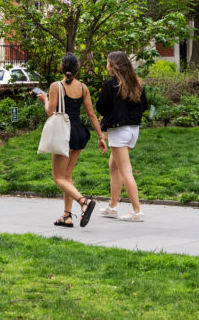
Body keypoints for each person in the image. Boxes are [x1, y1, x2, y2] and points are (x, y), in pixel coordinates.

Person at [36, 53, 107, 228]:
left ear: (62, 67)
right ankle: (66, 216)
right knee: (67, 176)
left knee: (58, 177)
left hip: (64, 133)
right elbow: (91, 114)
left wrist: (45, 99)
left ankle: (84, 202)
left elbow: (50, 112)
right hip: (79, 132)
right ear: (77, 69)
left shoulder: (56, 86)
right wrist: (100, 137)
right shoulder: (83, 87)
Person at [96, 50, 148, 222]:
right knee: (114, 165)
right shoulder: (137, 83)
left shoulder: (111, 84)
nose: (106, 65)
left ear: (113, 65)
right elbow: (144, 105)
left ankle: (137, 211)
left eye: (107, 62)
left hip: (119, 131)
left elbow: (101, 107)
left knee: (125, 170)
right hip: (133, 130)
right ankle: (112, 207)